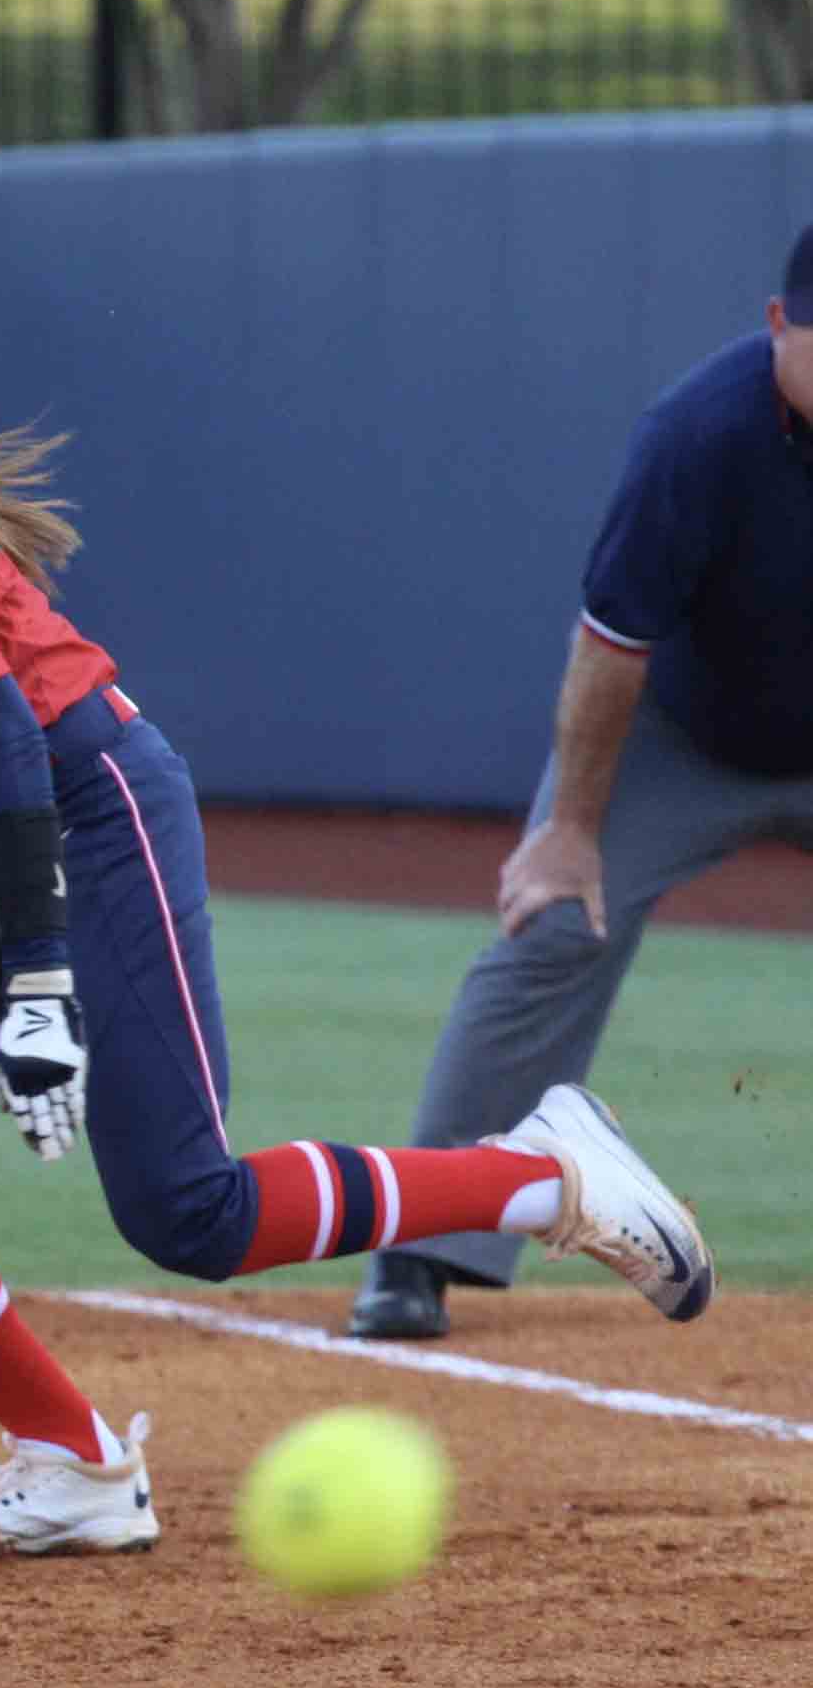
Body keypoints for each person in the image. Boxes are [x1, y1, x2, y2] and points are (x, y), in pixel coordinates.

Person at [0, 243, 716, 1559]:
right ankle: (73, 1461)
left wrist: (35, 982)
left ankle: (536, 1173)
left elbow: (3, 732)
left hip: (83, 800)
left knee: (190, 1211)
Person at [348, 225, 813, 1339]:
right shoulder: (698, 436)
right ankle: (420, 1243)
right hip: (683, 733)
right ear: (774, 329)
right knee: (551, 921)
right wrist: (568, 830)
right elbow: (610, 645)